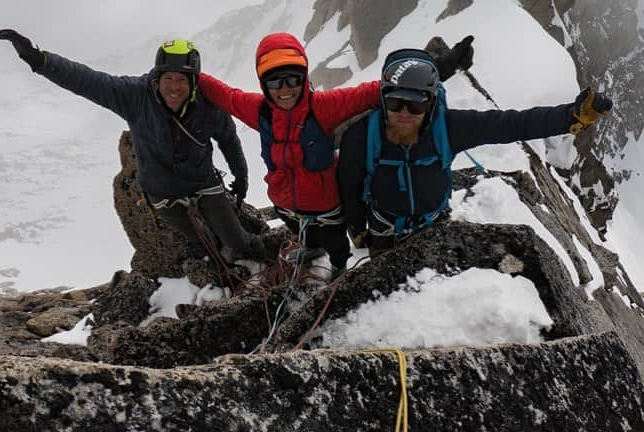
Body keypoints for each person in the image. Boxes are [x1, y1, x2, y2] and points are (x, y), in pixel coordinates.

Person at [196, 32, 475, 279]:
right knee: (301, 231)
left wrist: (443, 68)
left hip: (325, 205)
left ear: (304, 77)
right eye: (275, 82)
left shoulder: (323, 107)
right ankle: (309, 247)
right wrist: (183, 72)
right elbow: (225, 95)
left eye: (293, 78)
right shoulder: (260, 110)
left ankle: (339, 269)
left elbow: (384, 89)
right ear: (263, 84)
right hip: (286, 203)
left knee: (336, 244)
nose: (285, 89)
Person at [0, 30, 264, 261]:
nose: (174, 86)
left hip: (203, 183)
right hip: (162, 192)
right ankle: (210, 260)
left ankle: (257, 252)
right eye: (168, 78)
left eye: (182, 79)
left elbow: (229, 140)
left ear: (194, 81)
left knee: (239, 243)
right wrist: (40, 60)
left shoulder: (209, 105)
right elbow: (87, 80)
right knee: (200, 245)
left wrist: (241, 176)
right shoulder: (135, 96)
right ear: (157, 78)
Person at [337, 47, 613, 254]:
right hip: (385, 229)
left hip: (435, 223)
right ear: (383, 98)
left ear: (432, 103)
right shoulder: (361, 137)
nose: (405, 113)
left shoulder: (448, 128)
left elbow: (512, 124)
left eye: (417, 104)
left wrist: (570, 117)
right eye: (395, 102)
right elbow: (349, 186)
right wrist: (357, 227)